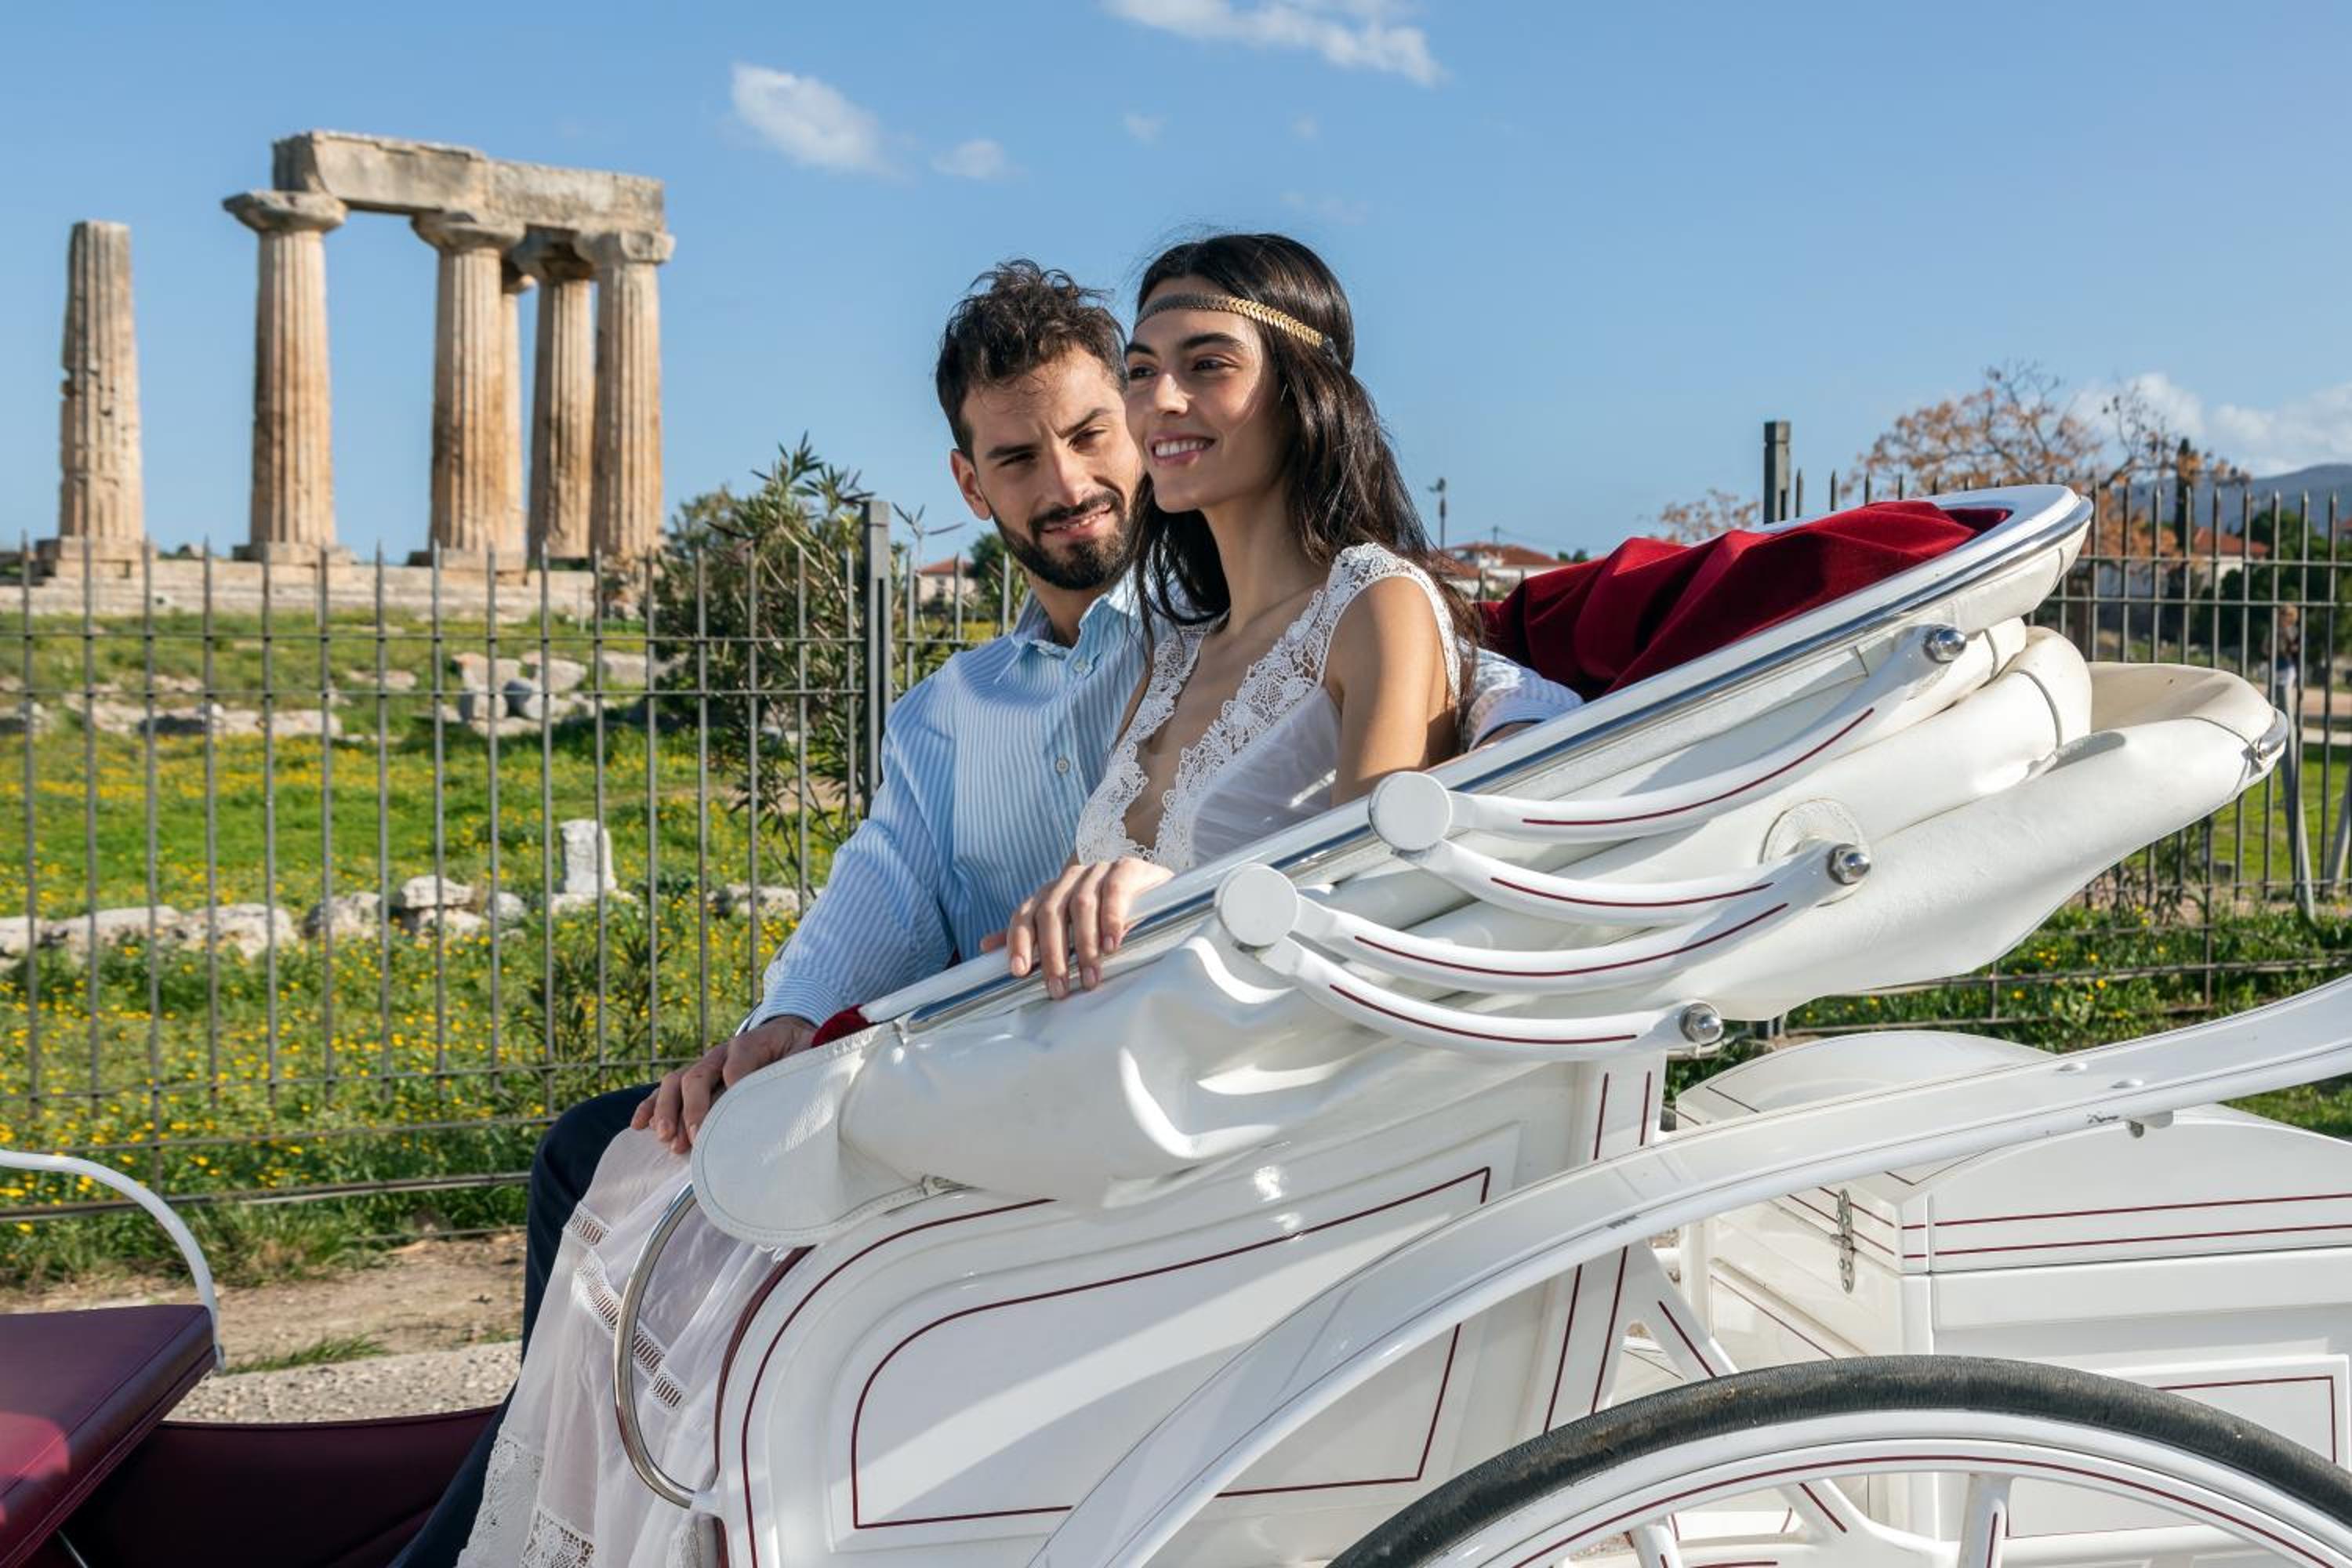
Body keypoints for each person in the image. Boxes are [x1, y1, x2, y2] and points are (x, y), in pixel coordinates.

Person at [391, 259, 1576, 1566]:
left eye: (1105, 423)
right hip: (1053, 1045)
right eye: (1024, 454)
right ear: (971, 483)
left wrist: (1184, 891)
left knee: (700, 1188)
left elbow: (1394, 838)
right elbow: (885, 880)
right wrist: (782, 1024)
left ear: (1296, 392)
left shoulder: (1272, 613)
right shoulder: (1065, 684)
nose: (1075, 476)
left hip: (1173, 1087)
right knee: (645, 1160)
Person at [997, 232, 1483, 988]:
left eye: (1208, 364)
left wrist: (1176, 901)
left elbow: (1381, 913)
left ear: (1301, 390)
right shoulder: (1174, 659)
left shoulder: (1376, 605)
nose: (1161, 400)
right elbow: (1074, 915)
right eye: (1141, 371)